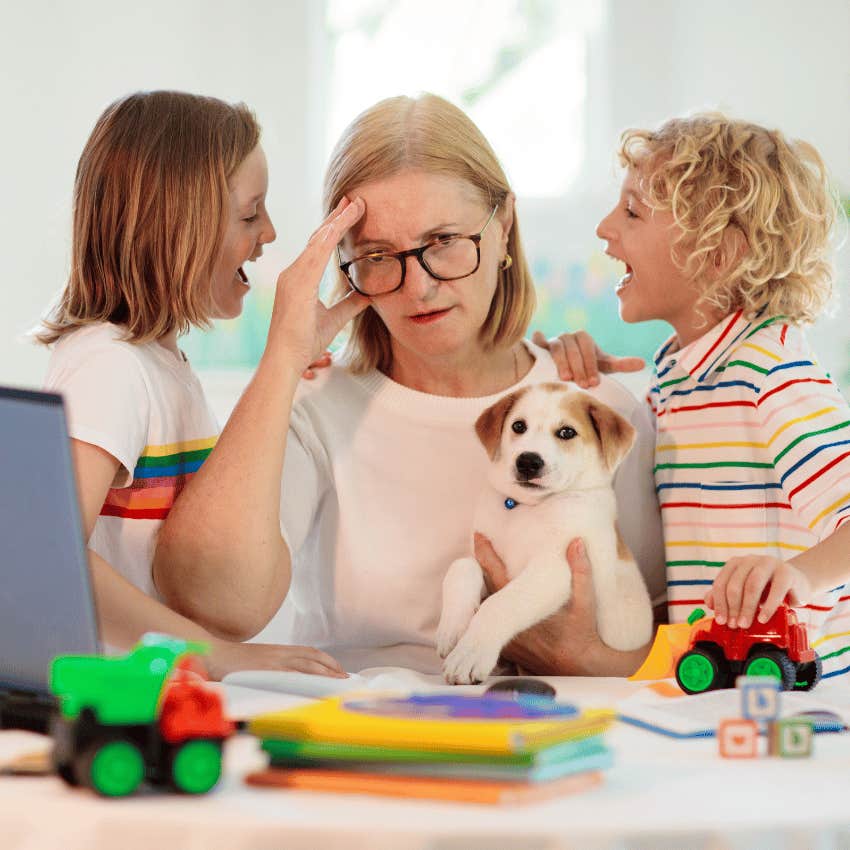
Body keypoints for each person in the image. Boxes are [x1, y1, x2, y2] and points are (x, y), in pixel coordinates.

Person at [155, 93, 666, 677]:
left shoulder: (596, 409)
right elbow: (217, 604)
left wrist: (586, 660)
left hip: (547, 738)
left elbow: (660, 632)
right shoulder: (315, 407)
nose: (418, 288)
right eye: (377, 255)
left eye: (445, 241)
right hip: (361, 730)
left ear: (504, 225)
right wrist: (282, 360)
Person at [36, 90, 349, 679]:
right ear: (178, 226)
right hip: (116, 696)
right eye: (251, 213)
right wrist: (213, 655)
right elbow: (53, 553)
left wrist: (287, 369)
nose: (271, 233)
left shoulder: (159, 363)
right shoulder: (109, 366)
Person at [564, 113, 849, 678]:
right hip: (715, 672)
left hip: (805, 692)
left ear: (718, 254)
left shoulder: (772, 371)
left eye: (632, 212)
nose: (604, 227)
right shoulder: (678, 369)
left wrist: (802, 575)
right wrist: (576, 376)